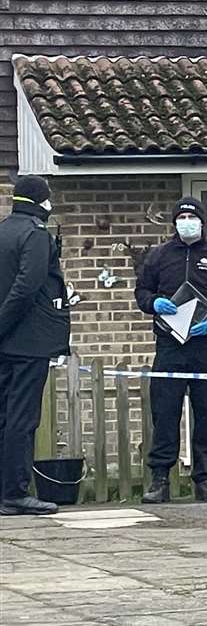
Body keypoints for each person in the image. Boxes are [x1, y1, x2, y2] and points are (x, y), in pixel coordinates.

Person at [135, 195, 207, 504]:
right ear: (174, 223)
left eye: (191, 217)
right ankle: (160, 479)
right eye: (181, 217)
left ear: (202, 222)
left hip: (206, 346)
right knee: (165, 412)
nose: (186, 222)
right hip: (170, 346)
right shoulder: (158, 257)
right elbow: (142, 292)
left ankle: (206, 478)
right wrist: (153, 304)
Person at [0, 175, 71, 515]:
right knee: (22, 419)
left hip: (4, 344)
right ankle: (15, 492)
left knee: (3, 415)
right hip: (28, 341)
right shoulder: (36, 235)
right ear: (41, 201)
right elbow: (28, 286)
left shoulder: (2, 230)